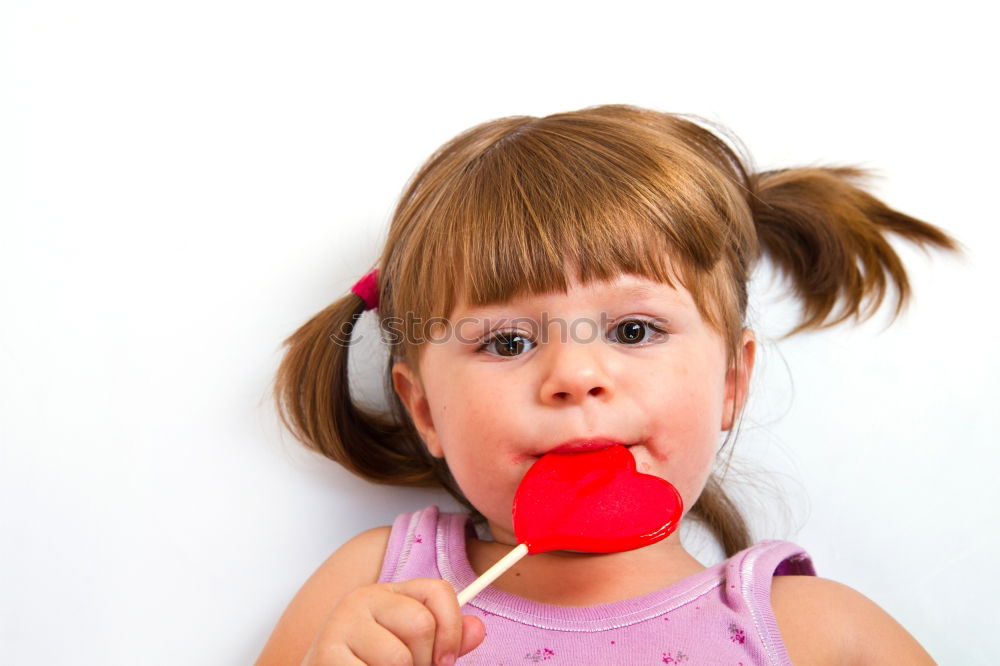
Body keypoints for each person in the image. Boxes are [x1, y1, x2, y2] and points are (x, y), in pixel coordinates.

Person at [255, 105, 955, 665]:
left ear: (733, 381)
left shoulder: (817, 635)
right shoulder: (377, 590)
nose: (575, 377)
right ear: (425, 409)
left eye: (632, 332)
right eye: (508, 342)